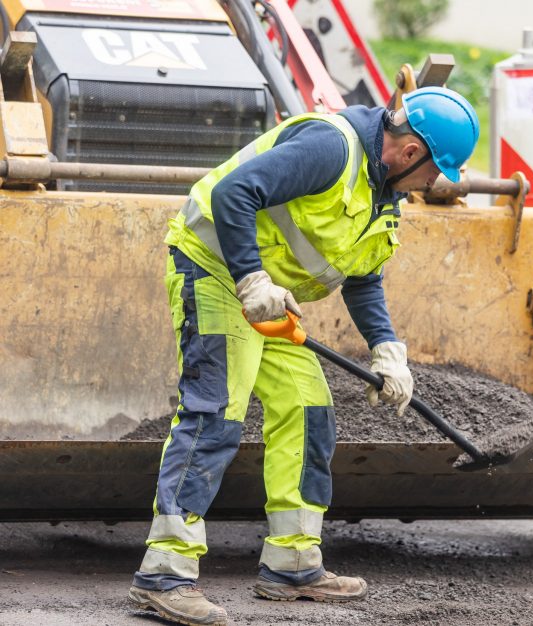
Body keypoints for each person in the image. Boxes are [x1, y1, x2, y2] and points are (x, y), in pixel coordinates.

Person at [126, 86, 479, 626]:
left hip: (270, 298)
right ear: (411, 154)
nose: (436, 183)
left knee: (310, 408)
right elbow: (233, 194)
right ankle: (164, 575)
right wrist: (250, 278)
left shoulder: (384, 193)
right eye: (436, 170)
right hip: (218, 270)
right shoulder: (331, 149)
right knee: (216, 412)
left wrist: (387, 350)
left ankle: (292, 565)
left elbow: (363, 277)